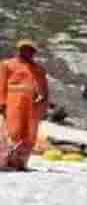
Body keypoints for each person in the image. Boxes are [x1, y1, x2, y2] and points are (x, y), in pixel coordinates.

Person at [1, 40, 50, 171]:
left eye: (30, 50)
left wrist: (44, 106)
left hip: (33, 106)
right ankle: (6, 161)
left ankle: (21, 163)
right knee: (13, 131)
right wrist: (2, 103)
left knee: (29, 134)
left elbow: (44, 89)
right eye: (24, 49)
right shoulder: (7, 65)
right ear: (19, 50)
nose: (27, 52)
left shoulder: (39, 69)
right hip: (13, 102)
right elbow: (1, 84)